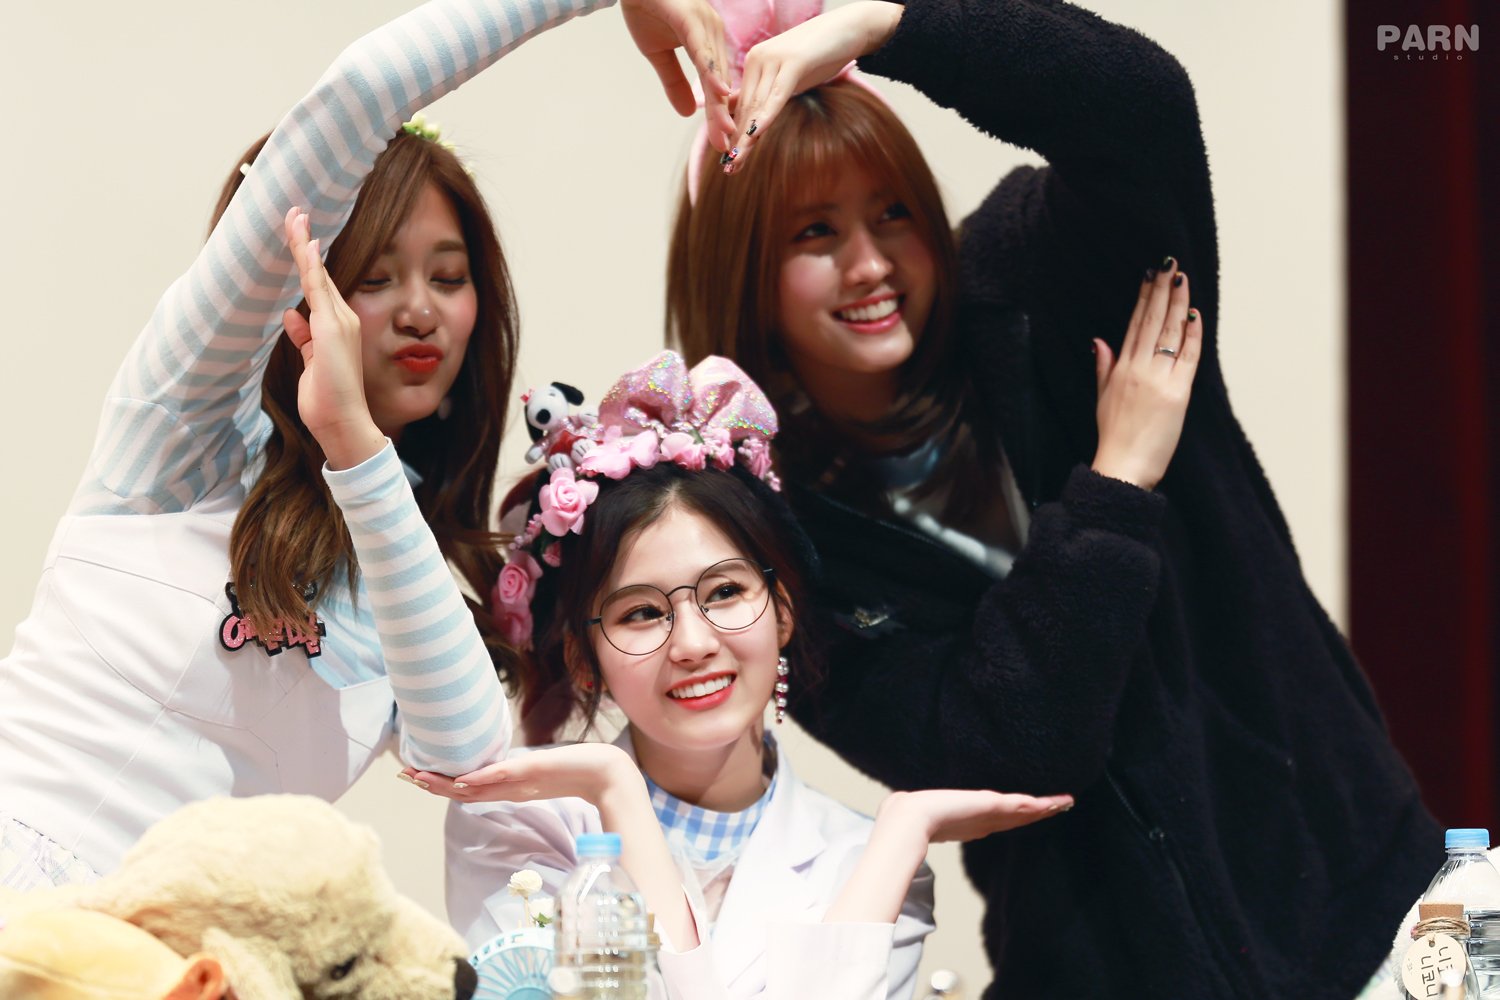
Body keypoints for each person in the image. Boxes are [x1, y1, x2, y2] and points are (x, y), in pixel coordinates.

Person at [664, 0, 1444, 996]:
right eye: (816, 233)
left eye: (891, 212)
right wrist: (1114, 488)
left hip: (1374, 903)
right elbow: (1012, 751)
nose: (870, 264)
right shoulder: (785, 550)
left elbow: (1141, 105)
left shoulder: (1045, 283)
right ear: (744, 270)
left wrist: (887, 26)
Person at [0, 0, 734, 891]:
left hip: (169, 951)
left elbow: (464, 752)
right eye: (376, 276)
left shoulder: (402, 564)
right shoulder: (184, 430)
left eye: (449, 278)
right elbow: (359, 93)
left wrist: (357, 451)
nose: (420, 309)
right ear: (299, 286)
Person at [401, 351, 1072, 999]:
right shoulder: (519, 823)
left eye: (724, 593)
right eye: (641, 612)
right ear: (584, 658)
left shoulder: (874, 858)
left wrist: (903, 825)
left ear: (782, 611)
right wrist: (617, 793)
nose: (693, 644)